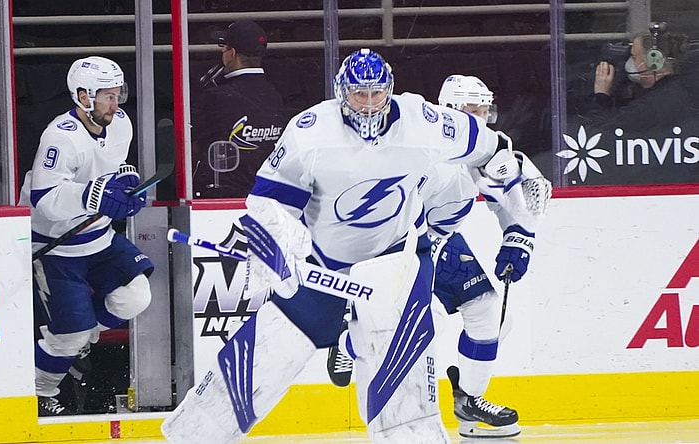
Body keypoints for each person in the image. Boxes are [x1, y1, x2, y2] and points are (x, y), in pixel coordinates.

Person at [161, 49, 521, 443]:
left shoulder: (424, 121)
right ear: (341, 93)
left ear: (390, 91)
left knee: (404, 399)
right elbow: (267, 203)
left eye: (376, 94)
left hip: (396, 266)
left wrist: (517, 223)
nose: (368, 105)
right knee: (264, 357)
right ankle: (190, 437)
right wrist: (281, 243)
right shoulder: (311, 131)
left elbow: (495, 150)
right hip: (321, 263)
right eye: (358, 95)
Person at [326, 74, 552, 438]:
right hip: (402, 249)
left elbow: (524, 191)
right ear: (450, 111)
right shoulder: (420, 144)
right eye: (472, 111)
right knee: (428, 325)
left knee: (490, 314)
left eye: (484, 110)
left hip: (444, 242)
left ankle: (470, 406)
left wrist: (518, 237)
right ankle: (351, 341)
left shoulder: (487, 146)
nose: (480, 119)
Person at [18, 56, 154, 416]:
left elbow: (110, 170)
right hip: (55, 246)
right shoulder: (59, 137)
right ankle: (38, 392)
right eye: (107, 96)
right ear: (82, 96)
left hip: (98, 237)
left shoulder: (121, 124)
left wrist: (126, 188)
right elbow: (44, 200)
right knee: (68, 336)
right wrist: (94, 195)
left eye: (118, 93)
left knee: (134, 297)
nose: (116, 103)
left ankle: (80, 340)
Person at [191, 20, 288, 199]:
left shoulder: (214, 97)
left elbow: (193, 147)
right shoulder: (277, 95)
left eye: (224, 47)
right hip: (267, 195)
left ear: (232, 53)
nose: (222, 51)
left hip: (222, 198)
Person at [583, 22, 691, 133]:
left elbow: (599, 136)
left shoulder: (648, 106)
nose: (630, 62)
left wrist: (601, 95)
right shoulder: (678, 89)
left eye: (634, 57)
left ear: (653, 61)